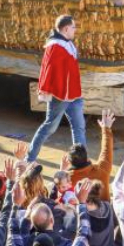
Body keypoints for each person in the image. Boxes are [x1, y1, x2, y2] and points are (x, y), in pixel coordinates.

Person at [25, 15, 84, 163]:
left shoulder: (67, 44)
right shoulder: (55, 46)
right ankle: (29, 159)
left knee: (79, 127)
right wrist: (48, 90)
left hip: (74, 94)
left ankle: (81, 163)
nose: (75, 30)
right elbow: (49, 70)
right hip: (60, 95)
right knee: (49, 127)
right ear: (66, 29)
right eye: (73, 27)